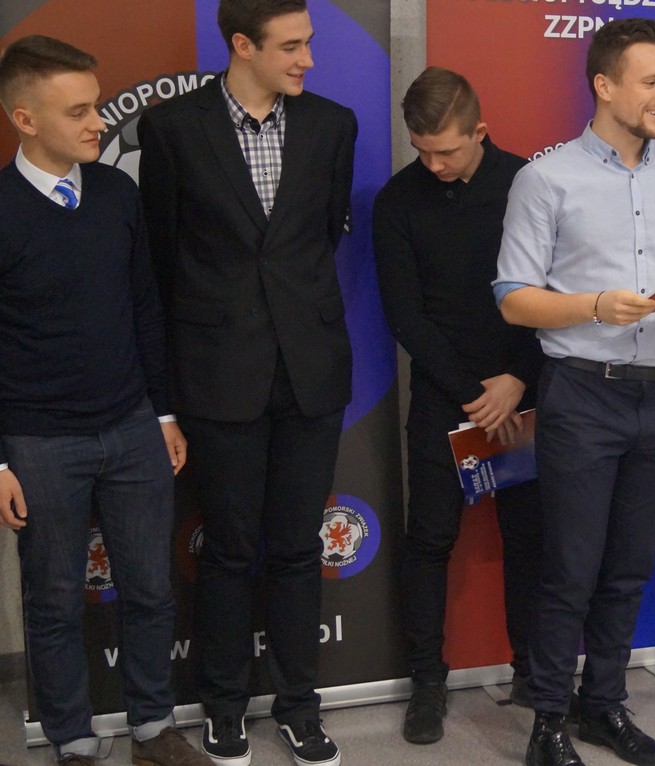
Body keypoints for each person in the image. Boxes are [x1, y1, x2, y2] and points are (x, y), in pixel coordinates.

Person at [494, 17, 655, 766]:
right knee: (569, 570)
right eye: (651, 81)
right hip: (581, 394)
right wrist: (594, 305)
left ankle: (603, 707)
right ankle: (547, 725)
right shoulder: (545, 178)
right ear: (604, 85)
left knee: (628, 569)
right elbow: (513, 299)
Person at [137, 1, 357, 763]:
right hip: (217, 374)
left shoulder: (332, 126)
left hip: (310, 372)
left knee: (297, 548)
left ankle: (300, 707)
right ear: (242, 45)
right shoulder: (172, 129)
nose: (307, 60)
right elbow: (162, 257)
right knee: (229, 551)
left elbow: (321, 236)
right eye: (291, 46)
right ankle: (223, 706)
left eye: (309, 43)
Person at [0, 35, 209, 766]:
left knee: (151, 588)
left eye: (96, 106)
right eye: (79, 111)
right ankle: (73, 742)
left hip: (132, 429)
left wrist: (164, 413)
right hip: (38, 444)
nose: (98, 123)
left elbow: (146, 307)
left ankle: (153, 729)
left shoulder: (119, 194)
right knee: (54, 601)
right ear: (25, 119)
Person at [372, 66, 544, 745]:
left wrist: (516, 380)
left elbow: (552, 293)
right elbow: (405, 315)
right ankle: (426, 683)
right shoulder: (397, 201)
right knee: (430, 539)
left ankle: (532, 672)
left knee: (529, 538)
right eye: (422, 151)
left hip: (521, 391)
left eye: (446, 151)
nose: (434, 165)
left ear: (480, 130)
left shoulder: (529, 183)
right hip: (447, 397)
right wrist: (475, 394)